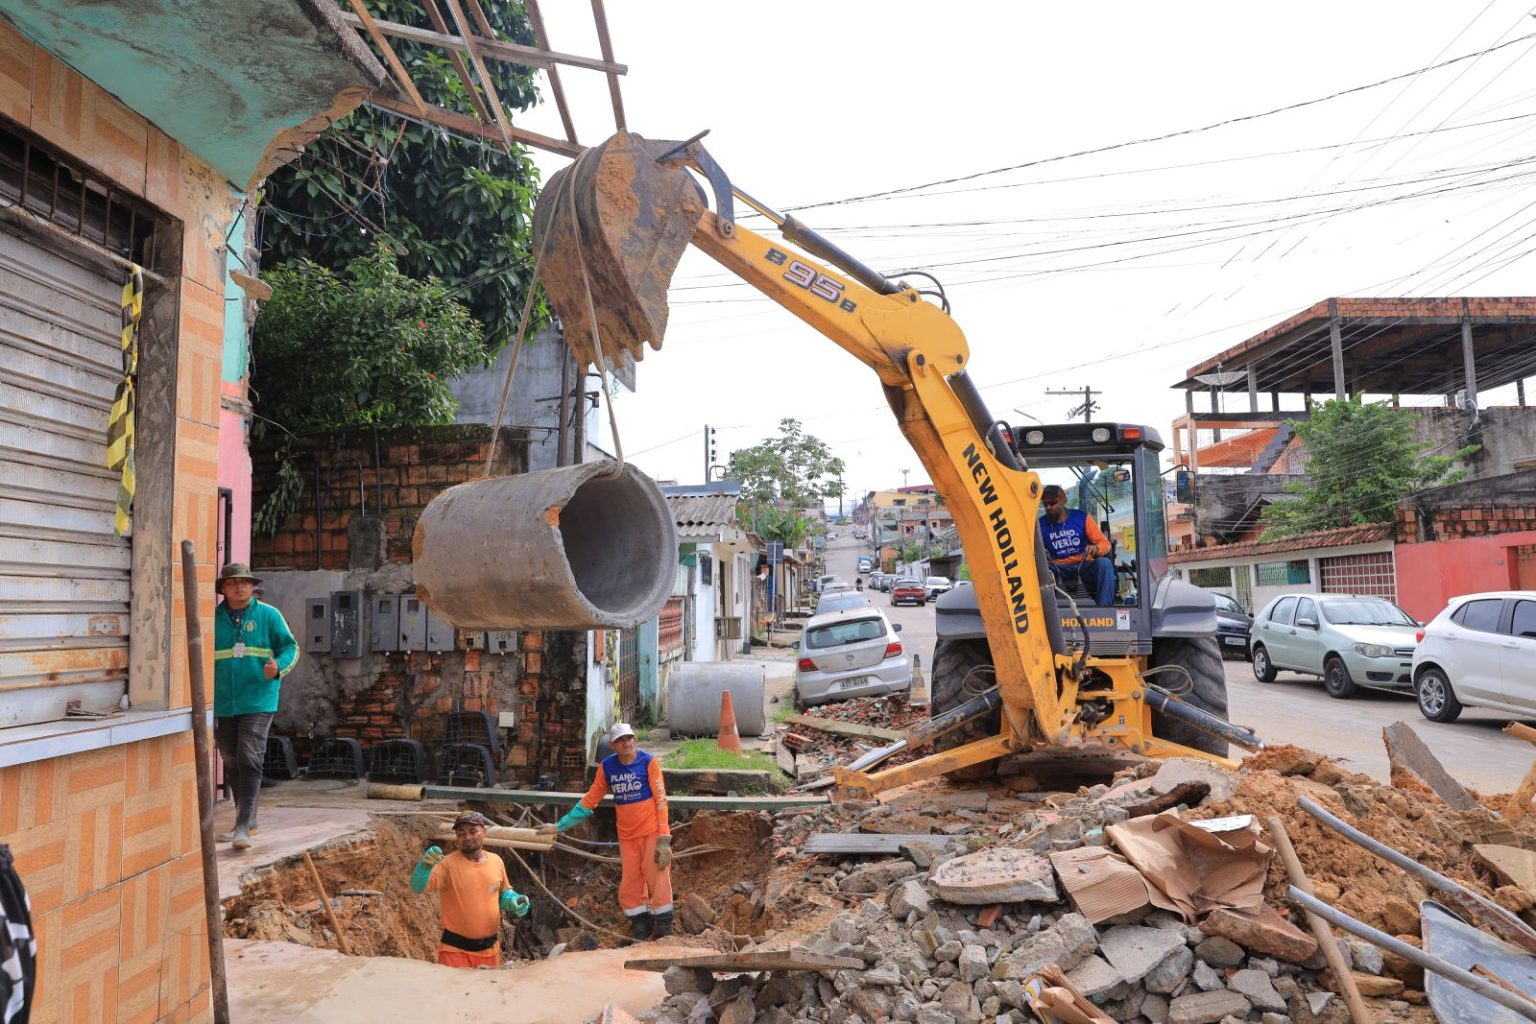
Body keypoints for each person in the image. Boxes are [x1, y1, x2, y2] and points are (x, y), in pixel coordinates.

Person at [540, 723, 673, 939]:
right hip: (627, 837)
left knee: (658, 877)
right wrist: (558, 826)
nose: (627, 743)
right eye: (621, 740)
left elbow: (661, 800)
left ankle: (665, 930)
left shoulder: (649, 762)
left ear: (635, 739)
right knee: (630, 884)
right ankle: (641, 928)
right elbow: (589, 801)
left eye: (629, 738)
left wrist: (664, 837)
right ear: (613, 745)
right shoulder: (607, 767)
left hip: (651, 833)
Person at [213, 563, 298, 850]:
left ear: (253, 587)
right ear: (223, 588)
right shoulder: (213, 619)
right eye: (233, 583)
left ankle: (243, 827)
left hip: (259, 698)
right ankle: (247, 821)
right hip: (224, 702)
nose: (240, 587)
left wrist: (279, 667)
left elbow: (291, 648)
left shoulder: (268, 615)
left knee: (250, 756)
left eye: (245, 582)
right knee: (231, 758)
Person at [409, 810, 530, 968]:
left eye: (473, 831)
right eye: (461, 833)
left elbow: (502, 893)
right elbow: (418, 887)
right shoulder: (447, 864)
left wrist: (513, 900)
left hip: (490, 951)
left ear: (484, 831)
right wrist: (424, 867)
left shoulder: (496, 861)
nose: (467, 838)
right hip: (455, 952)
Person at [1037, 485, 1116, 606]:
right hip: (1057, 569)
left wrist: (1096, 548)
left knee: (1104, 564)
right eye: (1045, 504)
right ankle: (1042, 613)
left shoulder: (1082, 518)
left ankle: (1105, 613)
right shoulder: (1039, 525)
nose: (1049, 507)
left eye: (1053, 503)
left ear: (1064, 500)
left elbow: (1104, 543)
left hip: (1083, 566)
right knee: (1037, 569)